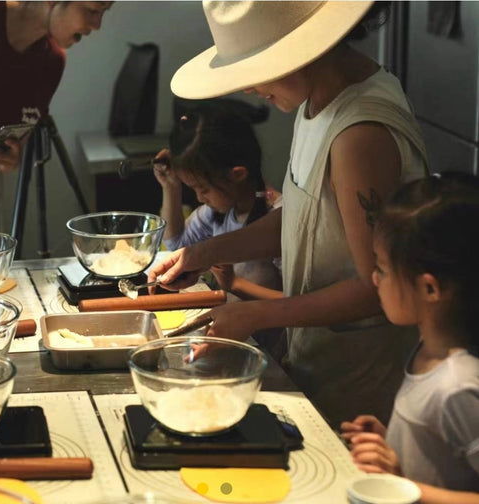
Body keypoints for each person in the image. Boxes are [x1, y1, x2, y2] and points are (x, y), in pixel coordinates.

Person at [149, 1, 429, 428]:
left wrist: (254, 314)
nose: (247, 88)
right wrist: (200, 254)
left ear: (305, 48)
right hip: (318, 359)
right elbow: (302, 218)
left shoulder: (359, 134)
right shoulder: (317, 103)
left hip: (359, 379)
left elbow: (378, 288)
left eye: (257, 66)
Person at [341, 173, 479, 503]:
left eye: (384, 269)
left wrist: (405, 485)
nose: (375, 278)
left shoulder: (460, 385)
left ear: (429, 288)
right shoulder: (427, 354)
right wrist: (392, 446)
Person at [0, 1, 112, 232]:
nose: (97, 25)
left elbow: (16, 135)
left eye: (104, 12)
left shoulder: (51, 63)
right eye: (93, 10)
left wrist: (10, 158)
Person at [153, 104, 283, 300]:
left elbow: (301, 304)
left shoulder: (278, 219)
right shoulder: (217, 213)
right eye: (193, 189)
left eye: (203, 189)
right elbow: (175, 244)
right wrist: (171, 187)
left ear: (237, 174)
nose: (199, 198)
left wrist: (234, 284)